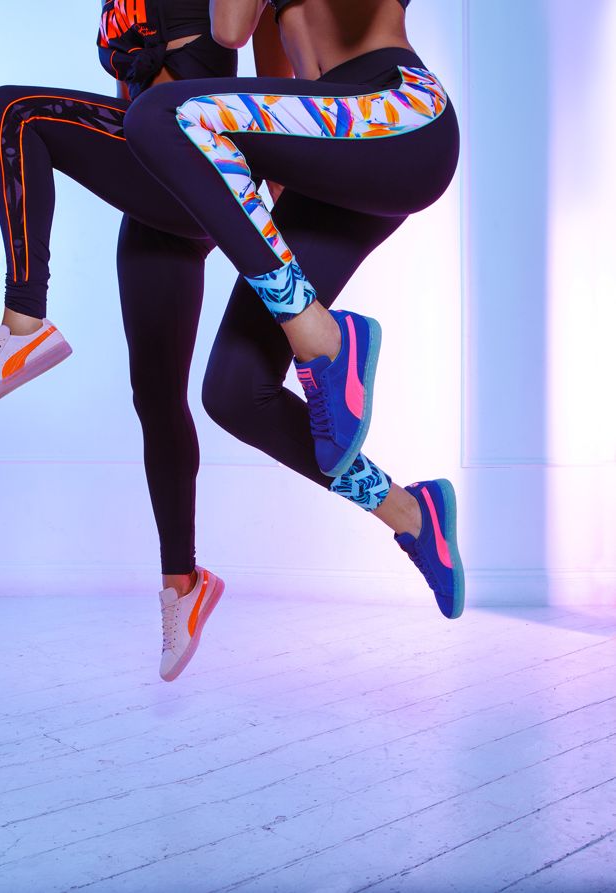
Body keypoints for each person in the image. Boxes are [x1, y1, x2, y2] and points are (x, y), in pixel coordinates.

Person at [0, 1, 298, 682]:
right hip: (154, 180)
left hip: (199, 157)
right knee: (156, 398)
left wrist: (269, 236)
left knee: (12, 112)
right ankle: (182, 584)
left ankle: (23, 323)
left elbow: (272, 90)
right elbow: (126, 99)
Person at [113, 0, 465, 660]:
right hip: (328, 148)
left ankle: (321, 337)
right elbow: (232, 33)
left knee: (161, 116)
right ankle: (413, 515)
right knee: (234, 392)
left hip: (395, 112)